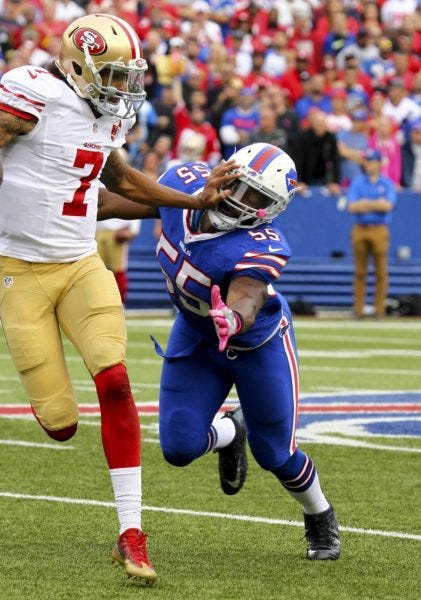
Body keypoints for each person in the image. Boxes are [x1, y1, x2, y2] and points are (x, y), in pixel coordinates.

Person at [0, 13, 233, 586]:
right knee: (62, 424)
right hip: (18, 269)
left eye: (127, 76)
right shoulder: (37, 96)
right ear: (76, 67)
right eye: (112, 75)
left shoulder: (107, 119)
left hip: (79, 263)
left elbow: (122, 182)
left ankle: (131, 532)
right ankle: (79, 447)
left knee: (114, 379)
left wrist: (193, 201)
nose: (122, 88)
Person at [95, 143, 341, 561]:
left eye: (255, 198)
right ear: (224, 172)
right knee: (178, 447)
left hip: (257, 346)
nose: (240, 201)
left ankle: (320, 515)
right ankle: (230, 432)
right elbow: (108, 202)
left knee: (275, 454)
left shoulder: (261, 244)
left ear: (271, 210)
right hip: (195, 336)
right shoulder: (182, 186)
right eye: (238, 186)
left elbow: (248, 295)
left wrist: (234, 317)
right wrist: (23, 208)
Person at [346, 148, 396, 320]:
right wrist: (376, 203)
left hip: (379, 229)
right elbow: (352, 206)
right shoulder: (358, 181)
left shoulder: (387, 183)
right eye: (366, 161)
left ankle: (379, 309)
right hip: (360, 227)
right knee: (360, 272)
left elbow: (388, 206)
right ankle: (358, 309)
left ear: (379, 163)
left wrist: (364, 203)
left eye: (372, 160)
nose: (369, 164)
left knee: (381, 272)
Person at [96, 216, 141, 304]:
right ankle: (99, 302)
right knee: (97, 271)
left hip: (117, 232)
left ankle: (120, 304)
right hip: (99, 231)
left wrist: (133, 230)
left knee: (118, 270)